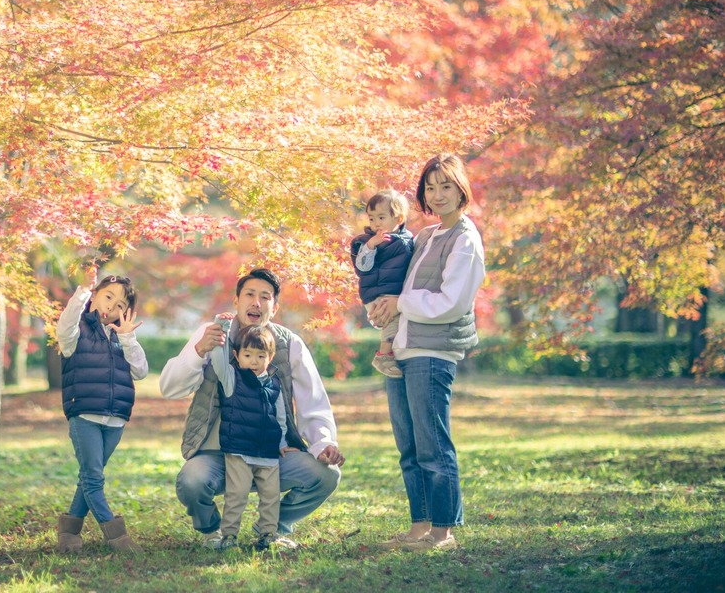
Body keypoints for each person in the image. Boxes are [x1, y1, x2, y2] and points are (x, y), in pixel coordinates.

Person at [160, 267, 344, 550]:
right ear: (236, 301)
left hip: (271, 453)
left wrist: (323, 442)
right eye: (249, 294)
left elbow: (313, 401)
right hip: (219, 455)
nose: (256, 302)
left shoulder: (289, 344)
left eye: (265, 297)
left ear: (275, 307)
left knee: (327, 473)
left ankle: (273, 529)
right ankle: (214, 531)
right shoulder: (211, 334)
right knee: (192, 482)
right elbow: (170, 388)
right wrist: (198, 351)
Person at [368, 154, 486, 552]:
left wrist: (400, 302)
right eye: (430, 188)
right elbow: (398, 288)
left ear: (460, 189)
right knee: (410, 446)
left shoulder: (465, 239)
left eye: (445, 186)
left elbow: (451, 302)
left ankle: (443, 533)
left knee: (433, 443)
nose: (437, 195)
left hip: (433, 353)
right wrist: (384, 306)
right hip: (402, 348)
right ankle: (419, 527)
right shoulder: (424, 236)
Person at [55, 273, 147, 553]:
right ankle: (117, 538)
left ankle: (69, 533)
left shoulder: (123, 337)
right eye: (108, 297)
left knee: (88, 477)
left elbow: (141, 371)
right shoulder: (77, 330)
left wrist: (128, 337)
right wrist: (82, 290)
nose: (112, 307)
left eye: (120, 305)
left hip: (116, 419)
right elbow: (64, 327)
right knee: (94, 479)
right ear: (95, 295)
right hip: (85, 416)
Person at [206, 324, 291, 551]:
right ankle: (229, 536)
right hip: (239, 450)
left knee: (271, 496)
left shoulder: (274, 384)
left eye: (260, 356)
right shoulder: (232, 378)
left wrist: (282, 443)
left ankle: (268, 534)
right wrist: (221, 326)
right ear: (237, 356)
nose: (254, 361)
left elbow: (280, 417)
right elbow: (218, 358)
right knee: (237, 495)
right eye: (247, 355)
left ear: (270, 357)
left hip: (268, 452)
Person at [349, 189, 415, 378]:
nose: (375, 223)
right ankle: (383, 355)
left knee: (400, 319)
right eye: (371, 218)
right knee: (392, 320)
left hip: (392, 291)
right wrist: (371, 246)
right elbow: (362, 267)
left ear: (399, 219)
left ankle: (390, 352)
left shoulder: (407, 239)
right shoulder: (368, 242)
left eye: (381, 217)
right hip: (378, 292)